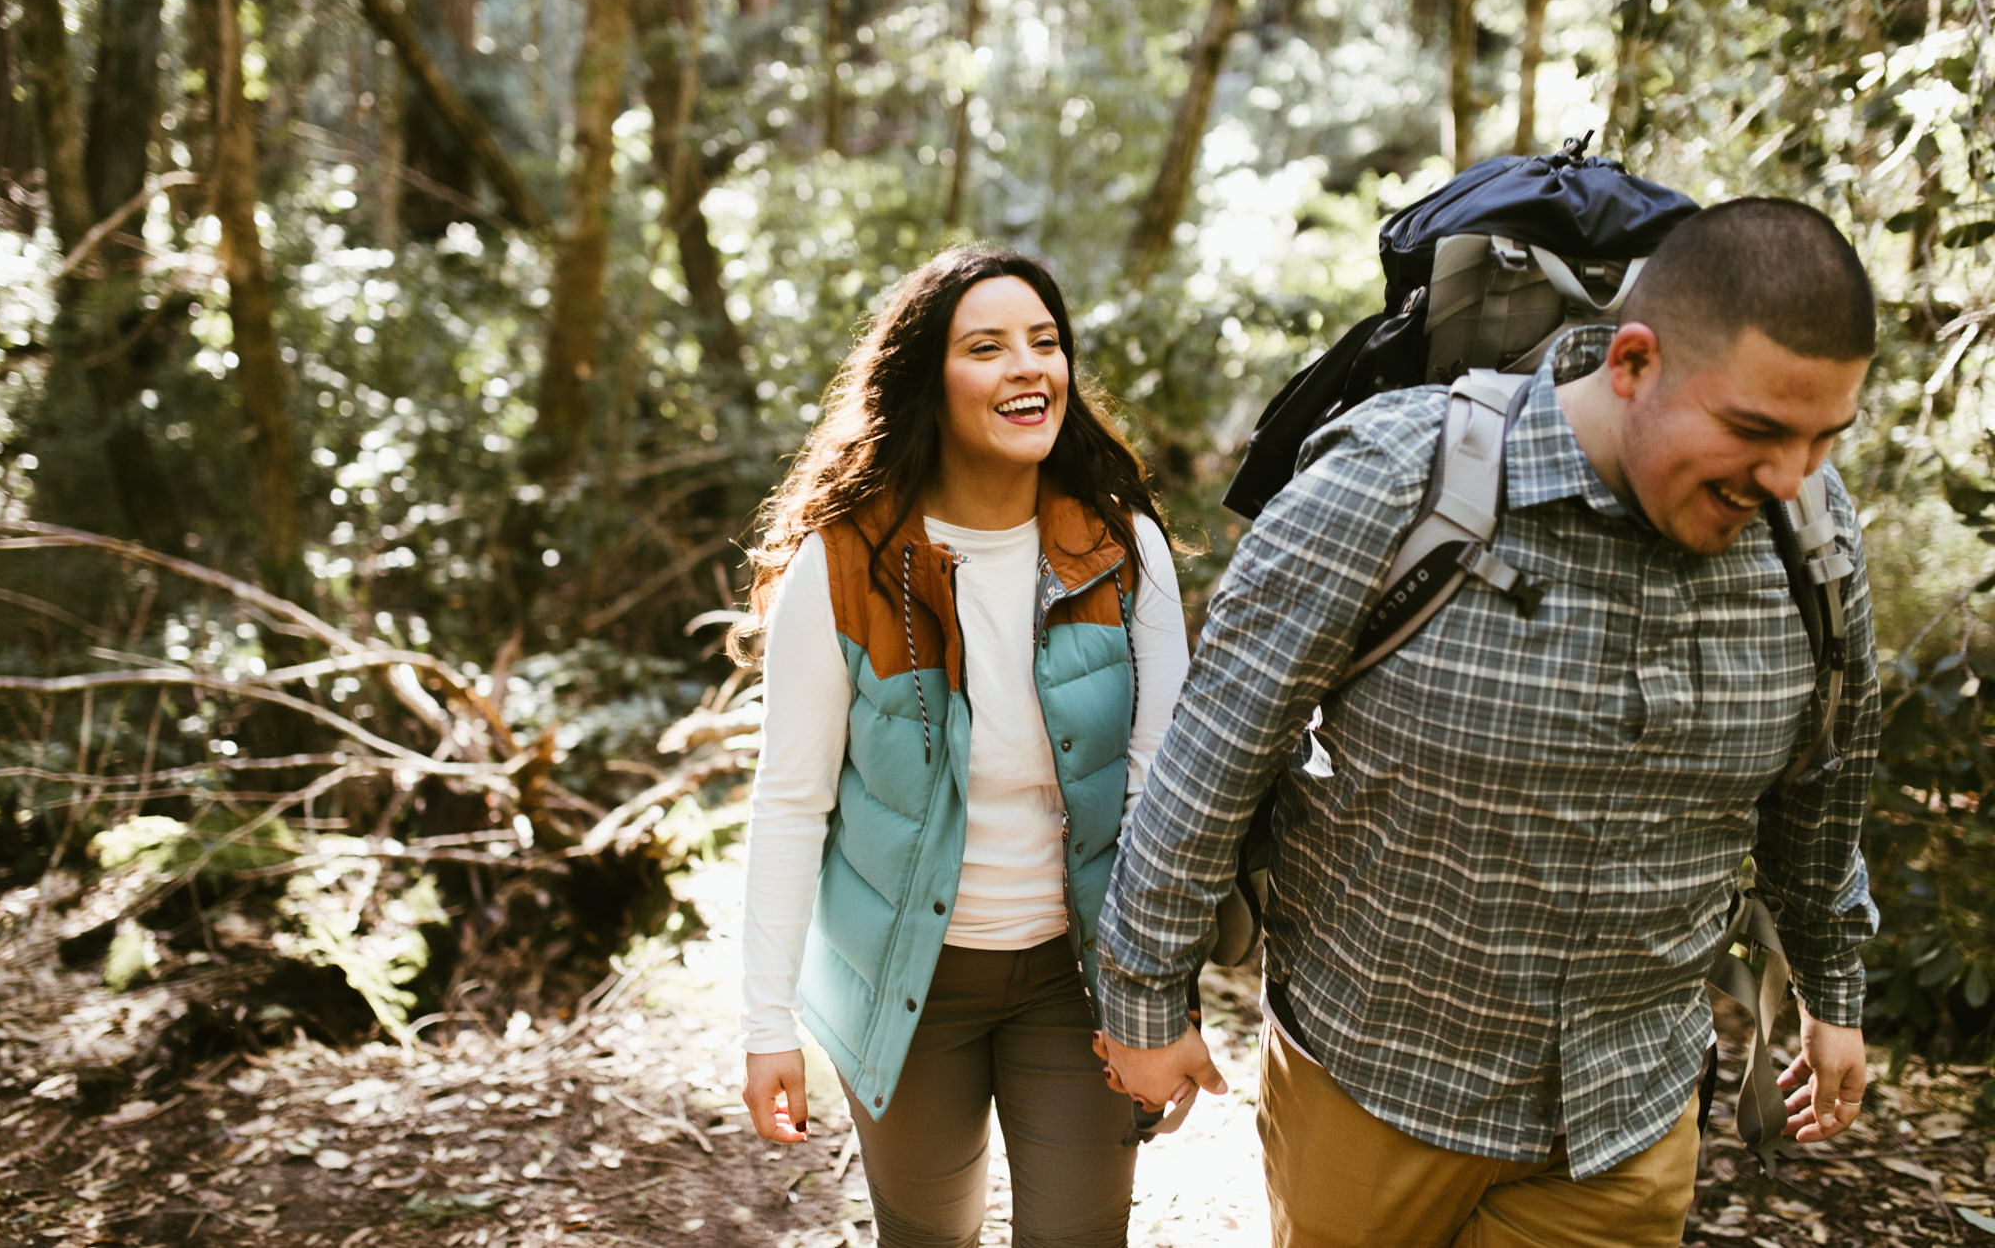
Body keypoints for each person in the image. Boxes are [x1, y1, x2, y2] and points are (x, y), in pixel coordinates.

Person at [1092, 198, 1882, 1247]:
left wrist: (1833, 990)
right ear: (1633, 363)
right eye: (1754, 431)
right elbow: (1217, 750)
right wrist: (1145, 1001)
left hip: (1623, 1120)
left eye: (1822, 438)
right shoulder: (1395, 478)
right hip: (1372, 1088)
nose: (1789, 476)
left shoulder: (1809, 540)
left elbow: (1821, 792)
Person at [735, 246, 1189, 1248]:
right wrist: (765, 1023)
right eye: (986, 346)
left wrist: (1159, 996)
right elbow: (790, 801)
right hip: (904, 982)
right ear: (926, 383)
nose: (1029, 366)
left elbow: (1168, 786)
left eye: (1045, 341)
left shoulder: (1121, 547)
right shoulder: (843, 564)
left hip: (1079, 978)